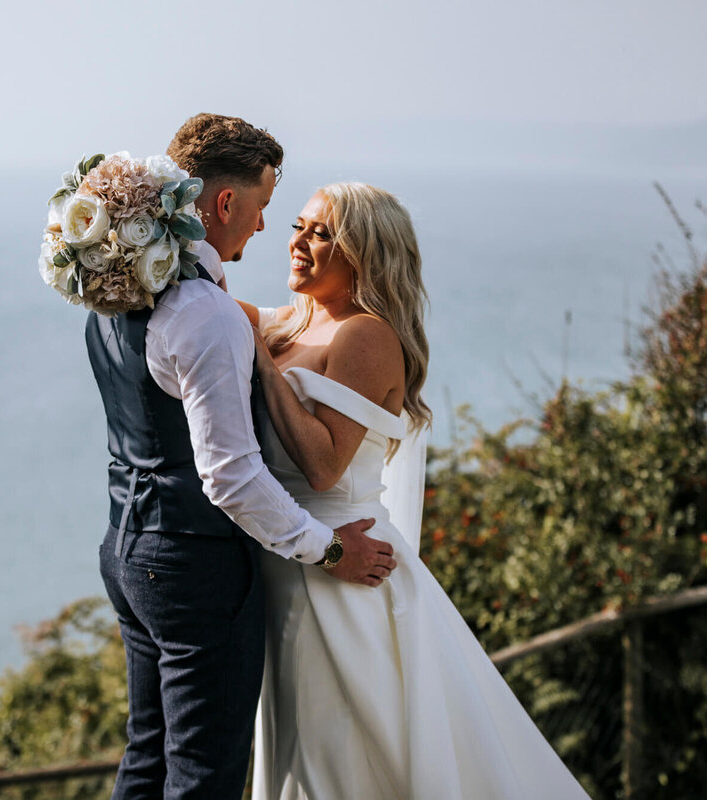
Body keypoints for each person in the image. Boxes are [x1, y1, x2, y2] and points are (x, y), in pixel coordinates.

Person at [238, 183, 589, 799]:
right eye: (298, 226)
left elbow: (322, 468)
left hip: (342, 576)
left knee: (337, 761)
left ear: (366, 257)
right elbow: (202, 298)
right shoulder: (293, 322)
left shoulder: (365, 336)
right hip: (294, 567)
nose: (297, 243)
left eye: (322, 234)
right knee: (303, 751)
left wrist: (265, 368)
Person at [87, 114, 397, 800]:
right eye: (261, 207)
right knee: (204, 778)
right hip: (195, 565)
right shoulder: (206, 314)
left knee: (148, 759)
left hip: (125, 547)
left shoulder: (113, 297)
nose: (263, 228)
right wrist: (328, 550)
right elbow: (229, 477)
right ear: (225, 204)